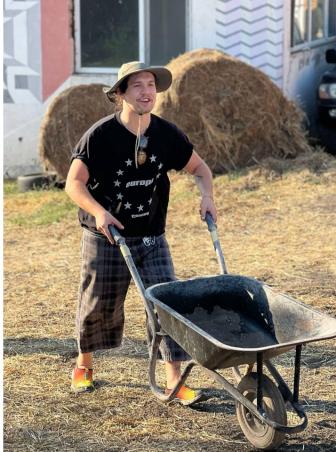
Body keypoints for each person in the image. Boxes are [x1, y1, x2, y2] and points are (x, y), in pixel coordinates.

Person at [65, 61, 218, 405]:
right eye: (137, 85)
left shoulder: (166, 134)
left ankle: (174, 380)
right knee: (98, 303)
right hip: (106, 235)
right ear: (120, 94)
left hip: (150, 235)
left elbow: (200, 169)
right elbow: (74, 183)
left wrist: (207, 196)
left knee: (166, 303)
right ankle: (84, 365)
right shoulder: (100, 135)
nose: (146, 91)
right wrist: (99, 212)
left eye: (150, 84)